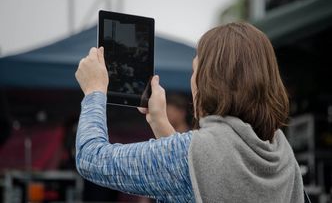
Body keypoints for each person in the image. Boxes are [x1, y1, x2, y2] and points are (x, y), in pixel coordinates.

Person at [75, 22, 304, 202]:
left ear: (210, 81)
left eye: (195, 70)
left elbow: (91, 158)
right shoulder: (281, 151)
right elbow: (192, 182)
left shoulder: (190, 154)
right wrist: (160, 123)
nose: (192, 79)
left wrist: (94, 91)